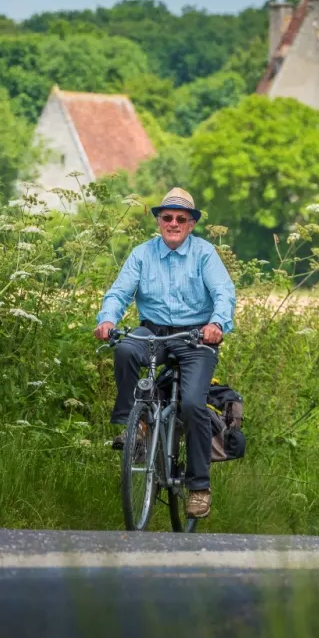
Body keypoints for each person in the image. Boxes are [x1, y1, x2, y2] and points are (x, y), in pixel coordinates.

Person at [94, 187, 236, 519]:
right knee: (126, 348)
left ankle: (199, 487)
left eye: (180, 218)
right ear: (159, 221)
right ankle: (134, 428)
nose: (173, 223)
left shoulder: (204, 254)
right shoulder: (142, 254)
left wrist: (217, 324)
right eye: (167, 217)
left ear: (191, 224)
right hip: (153, 332)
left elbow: (223, 293)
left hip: (196, 337)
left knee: (191, 403)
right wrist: (108, 319)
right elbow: (119, 291)